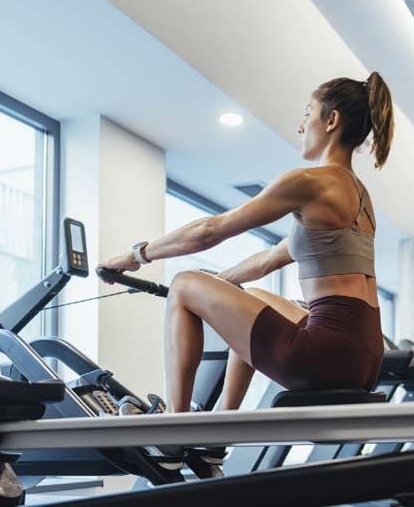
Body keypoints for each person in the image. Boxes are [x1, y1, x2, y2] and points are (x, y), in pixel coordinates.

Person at [98, 72, 395, 413]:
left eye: (307, 113)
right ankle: (220, 433)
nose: (301, 127)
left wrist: (136, 255)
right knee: (249, 297)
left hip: (327, 354)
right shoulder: (359, 196)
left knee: (182, 283)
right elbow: (269, 258)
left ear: (331, 120)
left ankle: (171, 431)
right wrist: (216, 290)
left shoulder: (312, 182)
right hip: (365, 357)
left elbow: (211, 230)